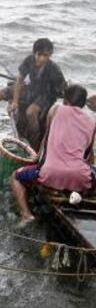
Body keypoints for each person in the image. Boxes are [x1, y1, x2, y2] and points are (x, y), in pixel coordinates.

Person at [10, 85, 96, 227]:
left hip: (50, 175)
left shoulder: (55, 110)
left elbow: (47, 140)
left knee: (15, 177)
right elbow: (88, 155)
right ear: (82, 103)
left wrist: (36, 160)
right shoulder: (92, 122)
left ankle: (26, 215)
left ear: (65, 100)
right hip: (80, 178)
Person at [0, 38, 66, 149]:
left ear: (50, 56)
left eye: (46, 55)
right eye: (39, 54)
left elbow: (63, 91)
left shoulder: (54, 69)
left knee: (31, 113)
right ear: (34, 53)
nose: (42, 58)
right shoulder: (29, 60)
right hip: (31, 89)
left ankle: (35, 146)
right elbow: (19, 79)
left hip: (46, 95)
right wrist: (15, 101)